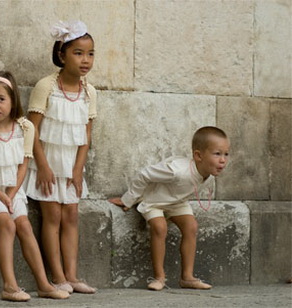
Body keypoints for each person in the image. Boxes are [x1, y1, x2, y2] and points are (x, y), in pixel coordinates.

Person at [0, 70, 70, 302]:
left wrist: (11, 193)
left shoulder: (25, 128)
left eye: (1, 99)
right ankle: (10, 286)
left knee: (23, 225)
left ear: (13, 100)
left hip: (12, 190)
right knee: (7, 225)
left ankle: (43, 284)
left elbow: (24, 165)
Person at [23, 20, 97, 294]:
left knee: (72, 217)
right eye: (78, 53)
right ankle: (57, 276)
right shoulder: (47, 86)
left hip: (71, 163)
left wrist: (79, 170)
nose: (85, 59)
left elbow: (86, 136)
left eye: (90, 53)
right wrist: (41, 166)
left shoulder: (89, 92)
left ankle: (73, 275)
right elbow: (31, 130)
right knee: (52, 216)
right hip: (47, 161)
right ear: (62, 55)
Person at [109, 126, 230, 291]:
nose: (223, 160)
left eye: (226, 154)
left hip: (176, 202)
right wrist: (128, 199)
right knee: (159, 227)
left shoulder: (208, 173)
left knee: (191, 226)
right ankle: (159, 277)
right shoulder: (177, 171)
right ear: (198, 155)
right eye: (217, 154)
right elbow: (145, 174)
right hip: (153, 200)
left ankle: (187, 277)